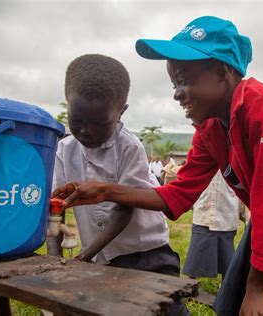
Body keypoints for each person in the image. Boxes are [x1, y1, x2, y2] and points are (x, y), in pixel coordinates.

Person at [53, 16, 263, 315]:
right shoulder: (210, 129)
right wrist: (104, 190)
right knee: (233, 304)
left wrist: (258, 285)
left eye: (184, 81)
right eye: (173, 84)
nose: (177, 93)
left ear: (223, 72)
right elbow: (177, 195)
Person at [52, 54, 187, 315]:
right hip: (101, 259)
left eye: (100, 123)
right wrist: (55, 259)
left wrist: (83, 257)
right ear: (67, 103)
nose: (85, 131)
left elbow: (125, 209)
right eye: (77, 121)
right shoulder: (63, 149)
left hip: (147, 256)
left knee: (163, 310)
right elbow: (56, 208)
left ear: (121, 111)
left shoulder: (129, 146)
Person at [183, 171, 242, 279]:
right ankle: (189, 288)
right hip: (203, 215)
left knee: (227, 265)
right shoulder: (204, 158)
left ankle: (226, 292)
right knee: (195, 261)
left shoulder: (235, 159)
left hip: (227, 216)